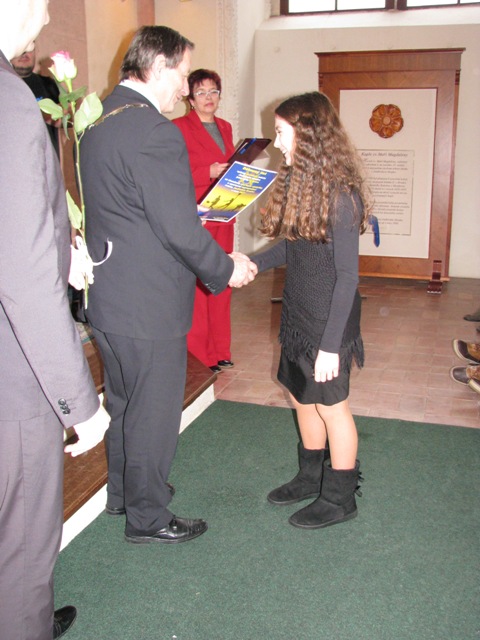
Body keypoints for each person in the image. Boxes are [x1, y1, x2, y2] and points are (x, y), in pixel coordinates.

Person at [80, 26, 256, 545]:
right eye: (181, 74)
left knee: (124, 403)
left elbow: (129, 209)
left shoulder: (100, 119)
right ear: (157, 67)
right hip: (148, 302)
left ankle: (124, 493)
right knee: (154, 413)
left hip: (107, 294)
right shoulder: (154, 130)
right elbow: (176, 228)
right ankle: (148, 517)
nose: (185, 87)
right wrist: (225, 268)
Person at [0, 2, 111, 640]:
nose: (45, 17)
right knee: (19, 551)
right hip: (14, 380)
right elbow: (22, 279)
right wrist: (79, 402)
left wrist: (58, 250)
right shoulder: (10, 102)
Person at [251, 92, 369, 530]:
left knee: (332, 406)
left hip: (328, 323)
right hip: (300, 315)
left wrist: (331, 346)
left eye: (283, 133)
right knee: (301, 395)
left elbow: (348, 277)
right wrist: (251, 263)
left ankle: (339, 498)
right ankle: (310, 476)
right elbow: (293, 246)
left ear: (310, 135)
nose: (278, 142)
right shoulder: (304, 185)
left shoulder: (341, 196)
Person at [173, 69, 236, 373]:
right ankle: (201, 355)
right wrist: (207, 172)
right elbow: (172, 172)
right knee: (200, 286)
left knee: (223, 281)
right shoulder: (178, 127)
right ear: (190, 98)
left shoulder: (225, 127)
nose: (208, 98)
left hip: (225, 212)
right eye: (201, 92)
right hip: (197, 216)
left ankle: (221, 350)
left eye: (213, 91)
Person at [11, 43, 61, 156]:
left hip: (46, 161)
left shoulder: (48, 85)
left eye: (30, 46)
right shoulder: (4, 85)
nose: (25, 52)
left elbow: (70, 118)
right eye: (21, 46)